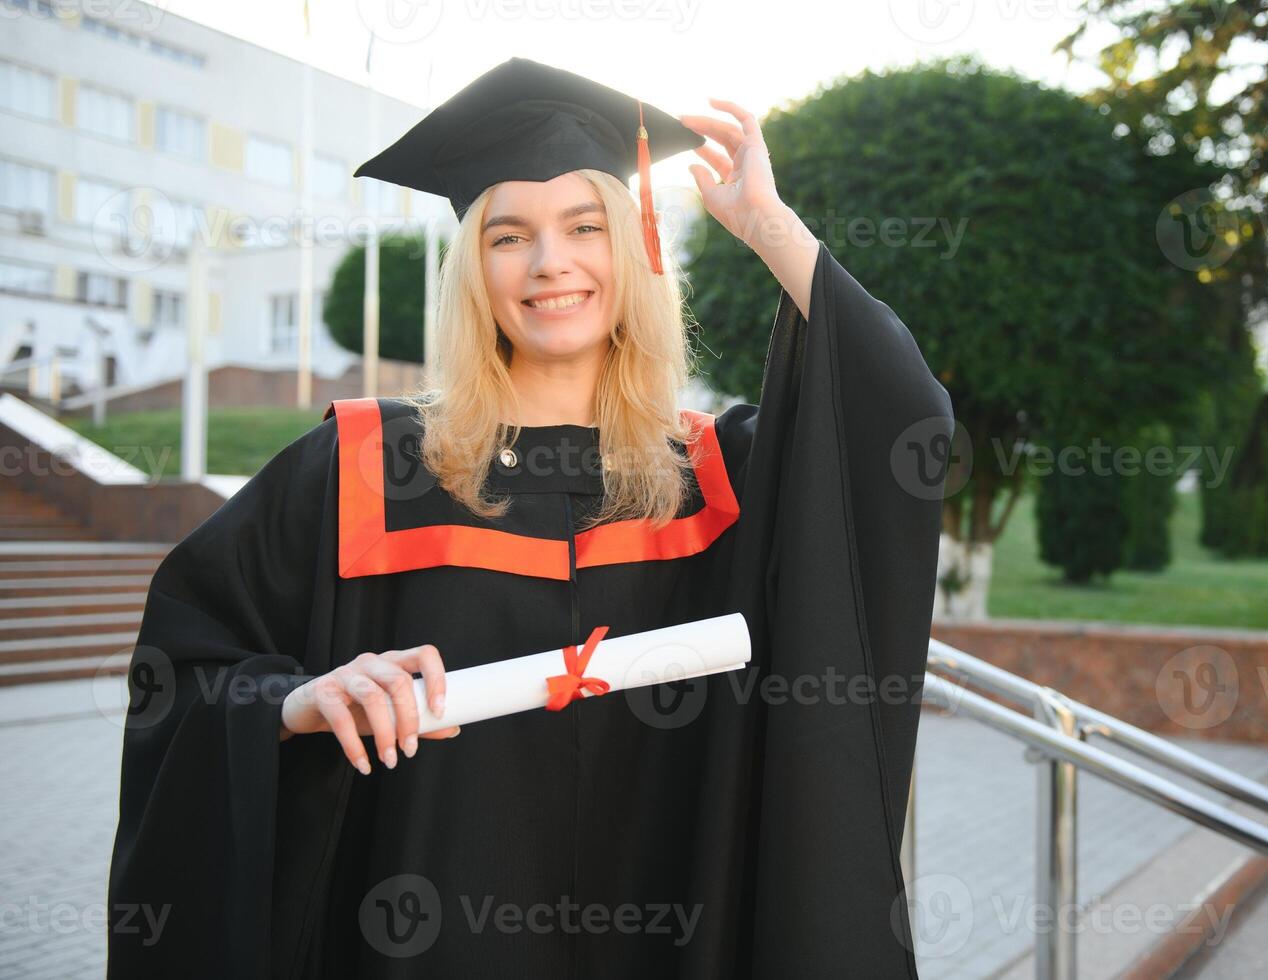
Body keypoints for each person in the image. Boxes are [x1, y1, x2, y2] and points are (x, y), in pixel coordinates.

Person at [106, 56, 954, 978]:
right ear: (472, 268)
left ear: (630, 249)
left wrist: (768, 227)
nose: (551, 262)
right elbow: (186, 671)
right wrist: (297, 703)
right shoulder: (367, 466)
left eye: (584, 226)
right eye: (509, 236)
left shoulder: (719, 475)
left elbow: (896, 430)